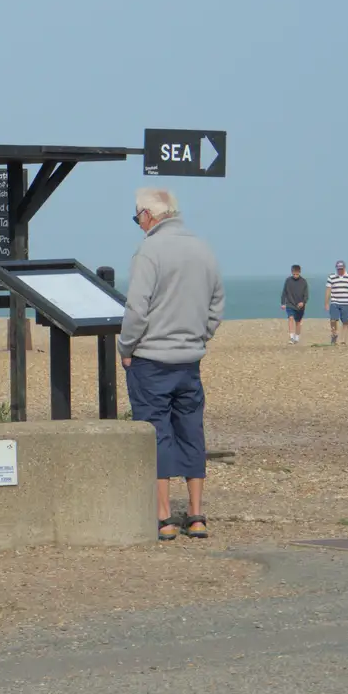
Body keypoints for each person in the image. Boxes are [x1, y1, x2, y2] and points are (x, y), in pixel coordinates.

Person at [118, 188, 224, 541]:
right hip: (189, 359)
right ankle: (196, 514)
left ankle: (164, 517)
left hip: (151, 359)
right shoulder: (202, 247)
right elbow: (216, 303)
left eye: (137, 218)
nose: (138, 225)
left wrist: (126, 346)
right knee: (191, 431)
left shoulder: (149, 250)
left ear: (148, 215)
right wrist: (199, 337)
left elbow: (137, 308)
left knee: (156, 433)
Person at [325, 260, 348, 345]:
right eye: (338, 269)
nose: (340, 270)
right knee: (333, 319)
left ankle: (343, 340)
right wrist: (326, 303)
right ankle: (334, 334)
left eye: (341, 269)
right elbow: (328, 290)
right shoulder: (331, 277)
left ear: (344, 268)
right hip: (335, 301)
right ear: (336, 268)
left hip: (346, 302)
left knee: (345, 322)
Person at [281, 264, 308, 344]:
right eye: (294, 274)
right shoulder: (288, 281)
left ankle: (297, 337)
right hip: (290, 304)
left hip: (300, 306)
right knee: (290, 318)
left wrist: (303, 302)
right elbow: (284, 292)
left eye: (297, 274)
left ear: (299, 272)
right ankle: (291, 337)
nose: (295, 276)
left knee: (298, 322)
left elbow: (306, 294)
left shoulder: (303, 282)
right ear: (291, 272)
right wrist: (283, 303)